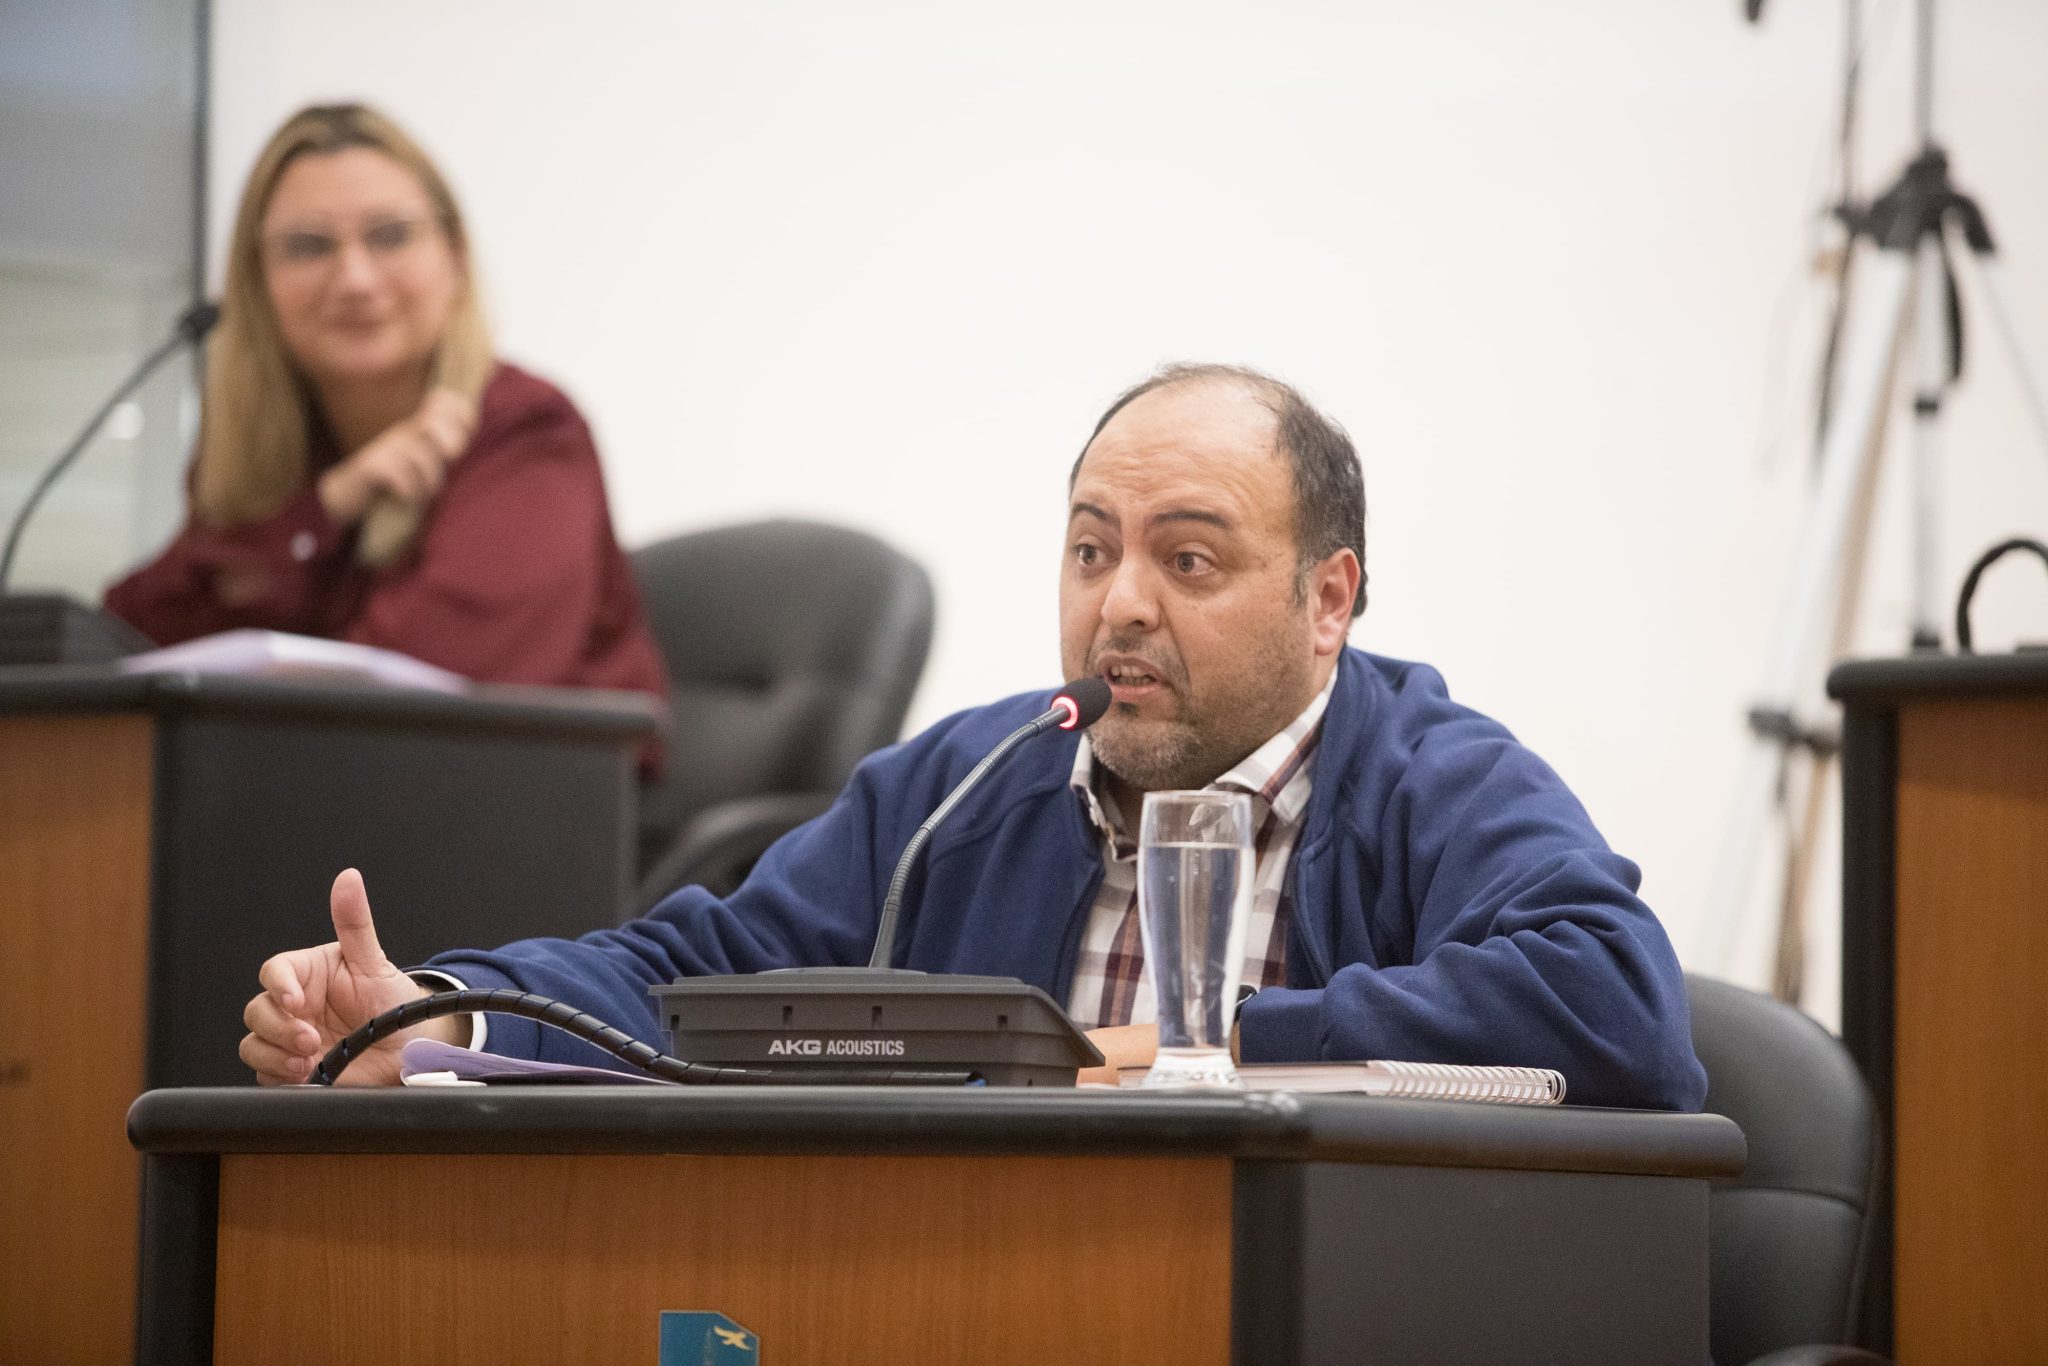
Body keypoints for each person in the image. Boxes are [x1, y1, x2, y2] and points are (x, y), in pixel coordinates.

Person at [242, 363, 1707, 1110]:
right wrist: (441, 1015)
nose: (1120, 603)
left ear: (1329, 600)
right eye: (1090, 549)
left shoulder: (1428, 776)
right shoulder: (970, 782)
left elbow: (1610, 1001)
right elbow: (700, 973)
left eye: (1188, 559)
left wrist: (1194, 1051)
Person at [104, 103, 667, 707]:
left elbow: (431, 687)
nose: (355, 280)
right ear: (257, 281)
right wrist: (324, 508)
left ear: (455, 257)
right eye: (309, 246)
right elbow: (128, 642)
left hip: (507, 767)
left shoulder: (530, 432)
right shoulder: (260, 448)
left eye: (391, 236)